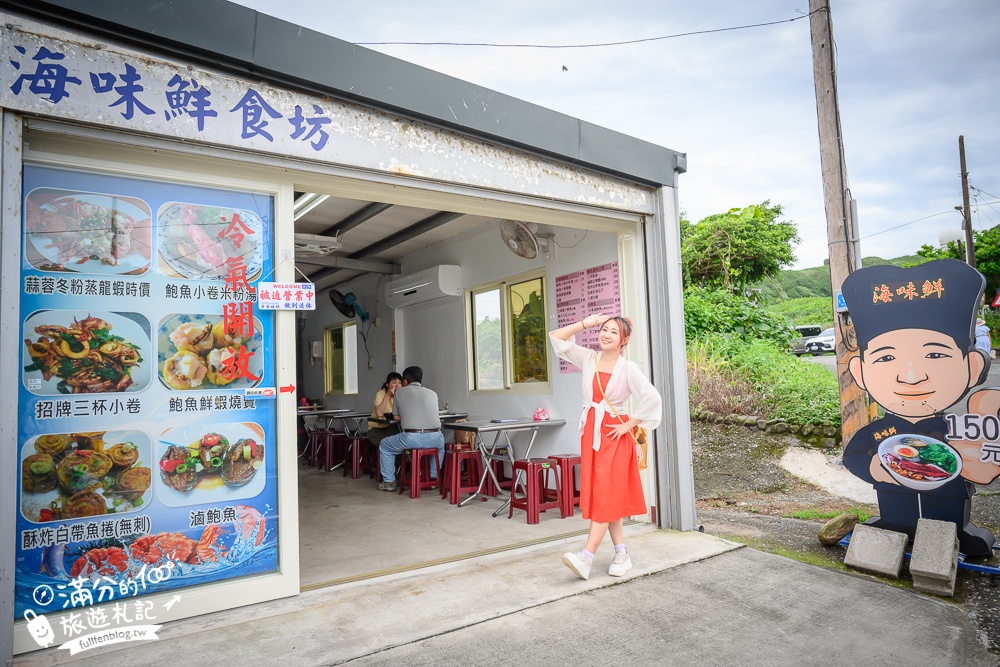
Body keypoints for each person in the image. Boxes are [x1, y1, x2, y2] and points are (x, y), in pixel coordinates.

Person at [841, 259, 997, 555]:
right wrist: (873, 466)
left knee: (949, 510)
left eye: (935, 355)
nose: (911, 377)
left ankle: (956, 534)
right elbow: (852, 456)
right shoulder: (880, 432)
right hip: (891, 495)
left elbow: (982, 456)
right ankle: (894, 525)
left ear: (973, 366)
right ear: (861, 372)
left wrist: (982, 461)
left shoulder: (960, 430)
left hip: (948, 497)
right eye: (886, 359)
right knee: (895, 507)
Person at [549, 313, 662, 579]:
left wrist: (628, 423)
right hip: (591, 433)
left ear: (625, 340)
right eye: (604, 329)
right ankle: (621, 553)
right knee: (607, 493)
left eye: (613, 332)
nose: (606, 334)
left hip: (613, 435)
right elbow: (556, 338)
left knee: (605, 494)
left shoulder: (628, 368)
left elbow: (652, 397)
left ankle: (587, 556)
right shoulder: (589, 358)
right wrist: (585, 323)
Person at [377, 366, 445, 492]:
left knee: (384, 446)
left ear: (405, 381)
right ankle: (433, 478)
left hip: (412, 438)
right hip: (435, 437)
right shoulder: (432, 393)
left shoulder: (400, 392)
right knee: (441, 447)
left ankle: (389, 482)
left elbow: (396, 417)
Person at [367, 372, 403, 448]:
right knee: (397, 438)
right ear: (387, 384)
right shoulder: (381, 394)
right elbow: (379, 413)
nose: (397, 385)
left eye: (399, 383)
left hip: (393, 427)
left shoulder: (401, 396)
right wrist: (388, 395)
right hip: (377, 429)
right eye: (394, 382)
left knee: (399, 434)